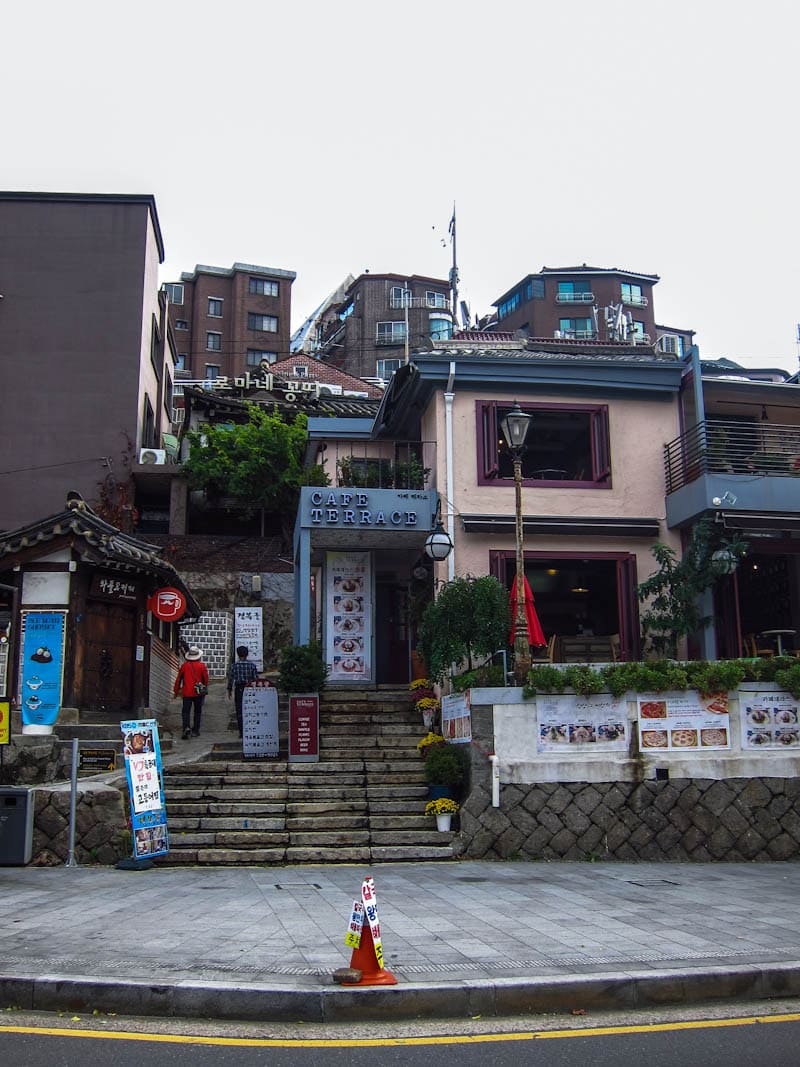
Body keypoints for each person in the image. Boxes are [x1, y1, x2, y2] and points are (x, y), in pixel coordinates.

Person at [173, 645, 209, 739]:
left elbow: (178, 679)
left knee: (186, 711)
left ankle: (186, 728)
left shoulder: (184, 666)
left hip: (187, 692)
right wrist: (204, 688)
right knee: (197, 711)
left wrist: (176, 691)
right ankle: (196, 730)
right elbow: (205, 679)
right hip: (198, 693)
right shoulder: (202, 666)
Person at [227, 645, 259, 737]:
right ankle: (250, 729)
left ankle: (241, 732)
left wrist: (229, 690)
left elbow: (231, 679)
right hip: (249, 689)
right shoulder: (252, 665)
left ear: (238, 654)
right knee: (250, 709)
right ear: (247, 654)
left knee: (239, 710)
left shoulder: (234, 666)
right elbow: (256, 679)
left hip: (239, 689)